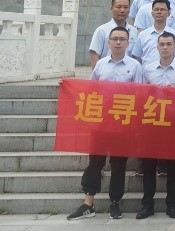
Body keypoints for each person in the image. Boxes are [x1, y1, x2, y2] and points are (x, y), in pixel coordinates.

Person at [68, 26, 145, 220]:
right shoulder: (101, 65)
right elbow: (90, 91)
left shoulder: (135, 67)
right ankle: (88, 204)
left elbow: (140, 95)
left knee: (119, 164)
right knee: (95, 162)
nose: (118, 42)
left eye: (122, 39)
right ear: (109, 42)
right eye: (115, 39)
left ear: (128, 43)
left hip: (123, 123)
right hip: (101, 123)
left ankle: (114, 203)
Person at [138, 31, 175, 219]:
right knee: (149, 166)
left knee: (173, 167)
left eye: (169, 44)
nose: (165, 48)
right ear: (157, 47)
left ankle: (172, 204)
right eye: (162, 44)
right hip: (152, 123)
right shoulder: (147, 69)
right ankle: (147, 204)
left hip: (174, 124)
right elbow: (142, 95)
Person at [87, 0, 134, 67]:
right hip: (106, 74)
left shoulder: (134, 31)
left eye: (125, 7)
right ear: (111, 8)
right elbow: (94, 56)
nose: (122, 10)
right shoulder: (102, 30)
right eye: (118, 7)